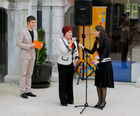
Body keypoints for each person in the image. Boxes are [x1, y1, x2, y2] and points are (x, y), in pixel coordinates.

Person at [79, 25, 114, 110]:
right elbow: (92, 51)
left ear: (99, 31)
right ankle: (99, 101)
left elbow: (105, 53)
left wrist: (98, 61)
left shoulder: (106, 41)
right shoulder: (97, 41)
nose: (93, 32)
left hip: (105, 64)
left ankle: (103, 101)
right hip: (99, 64)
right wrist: (83, 47)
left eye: (95, 31)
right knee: (98, 83)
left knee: (103, 84)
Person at [16, 16, 38, 99]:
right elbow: (18, 43)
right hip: (24, 55)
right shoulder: (22, 31)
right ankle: (22, 91)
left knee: (29, 74)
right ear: (28, 22)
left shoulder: (35, 32)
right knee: (23, 74)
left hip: (32, 55)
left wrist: (39, 45)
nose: (34, 24)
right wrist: (29, 46)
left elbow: (35, 43)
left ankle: (28, 90)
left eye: (34, 22)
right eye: (32, 22)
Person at [57, 25, 79, 106]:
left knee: (70, 82)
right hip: (62, 63)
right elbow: (64, 51)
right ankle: (63, 100)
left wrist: (76, 58)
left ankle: (70, 99)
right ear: (64, 33)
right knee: (63, 82)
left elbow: (76, 51)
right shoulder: (61, 41)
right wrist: (72, 42)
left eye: (71, 32)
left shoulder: (74, 41)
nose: (70, 34)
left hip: (71, 63)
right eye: (68, 32)